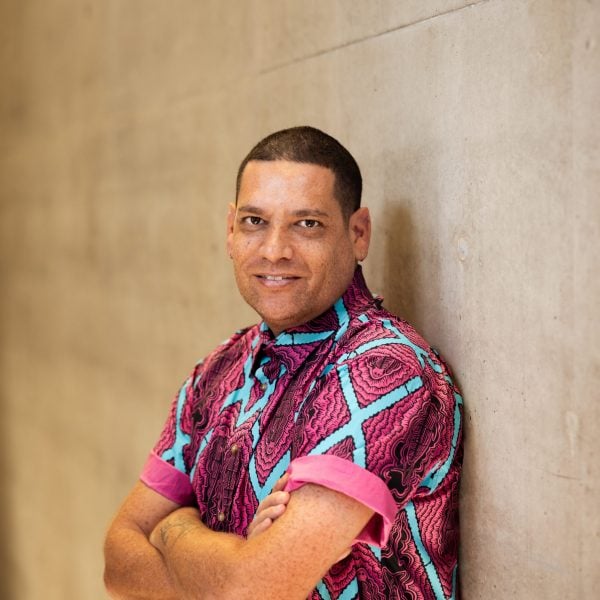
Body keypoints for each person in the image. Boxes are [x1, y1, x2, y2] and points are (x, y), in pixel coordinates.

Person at [103, 126, 463, 600]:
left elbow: (251, 588)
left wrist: (174, 530)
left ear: (358, 235)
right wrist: (226, 560)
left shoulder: (387, 372)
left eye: (307, 224)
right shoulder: (217, 370)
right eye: (255, 222)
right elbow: (118, 562)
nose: (275, 250)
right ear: (230, 230)